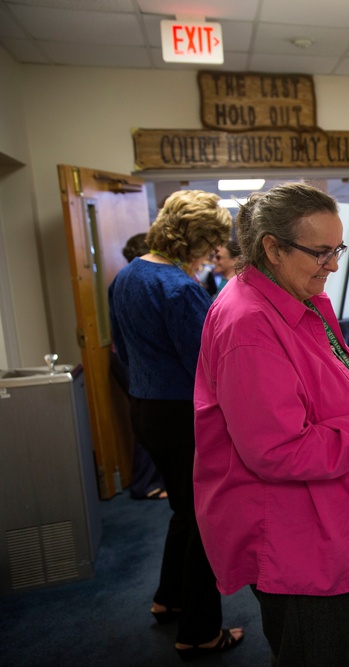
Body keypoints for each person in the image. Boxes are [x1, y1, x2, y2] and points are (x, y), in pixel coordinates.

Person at [193, 183, 349, 665]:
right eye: (320, 252)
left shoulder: (294, 295)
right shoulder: (249, 324)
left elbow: (312, 390)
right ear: (271, 248)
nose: (333, 264)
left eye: (337, 249)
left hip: (317, 518)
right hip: (295, 538)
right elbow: (279, 450)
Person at [108, 190, 244, 659]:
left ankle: (168, 598)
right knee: (206, 519)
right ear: (194, 238)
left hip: (144, 409)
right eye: (209, 243)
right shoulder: (179, 288)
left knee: (184, 511)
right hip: (184, 414)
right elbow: (209, 365)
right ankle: (200, 631)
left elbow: (122, 352)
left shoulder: (127, 276)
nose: (212, 253)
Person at [108, 232, 167, 501]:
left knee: (145, 419)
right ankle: (145, 484)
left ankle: (149, 481)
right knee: (149, 421)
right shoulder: (148, 283)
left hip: (126, 359)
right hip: (135, 362)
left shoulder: (122, 280)